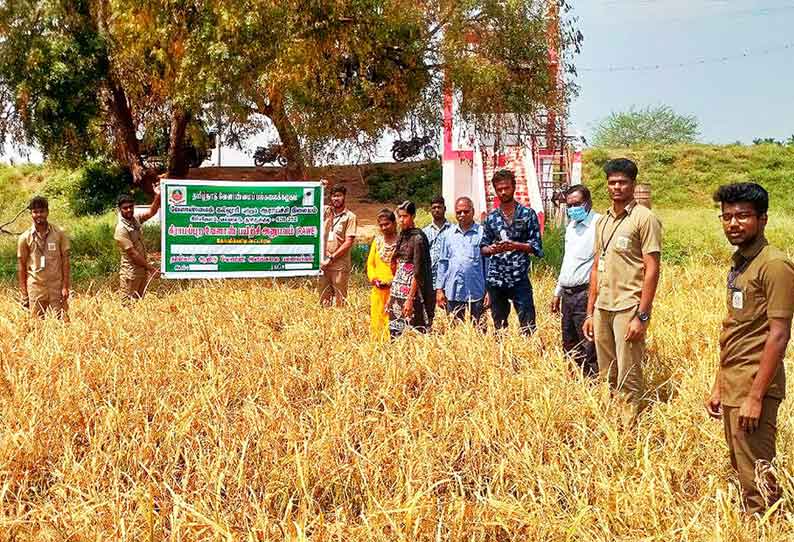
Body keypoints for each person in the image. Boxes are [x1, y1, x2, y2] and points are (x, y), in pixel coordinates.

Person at [705, 182, 794, 515]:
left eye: (742, 216)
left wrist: (755, 396)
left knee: (758, 473)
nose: (733, 224)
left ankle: (770, 526)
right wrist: (719, 384)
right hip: (734, 381)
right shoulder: (741, 263)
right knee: (743, 467)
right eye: (727, 217)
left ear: (763, 219)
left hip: (755, 384)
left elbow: (779, 335)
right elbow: (735, 328)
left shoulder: (774, 265)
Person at [583, 158, 662, 422]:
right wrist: (589, 311)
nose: (617, 187)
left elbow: (652, 269)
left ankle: (628, 429)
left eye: (622, 182)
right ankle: (610, 423)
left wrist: (642, 315)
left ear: (633, 184)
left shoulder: (644, 219)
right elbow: (596, 266)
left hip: (628, 306)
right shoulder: (602, 221)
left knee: (628, 372)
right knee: (607, 373)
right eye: (612, 182)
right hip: (602, 307)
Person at [480, 169, 543, 334]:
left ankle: (527, 356)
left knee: (528, 325)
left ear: (513, 187)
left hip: (519, 278)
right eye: (499, 189)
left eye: (506, 188)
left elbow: (536, 247)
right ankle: (502, 357)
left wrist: (516, 245)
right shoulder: (491, 218)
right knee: (499, 328)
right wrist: (492, 249)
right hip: (496, 280)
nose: (503, 192)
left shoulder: (527, 215)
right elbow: (483, 248)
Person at [551, 185, 600, 377]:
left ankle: (593, 384)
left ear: (588, 203)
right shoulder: (571, 226)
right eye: (569, 205)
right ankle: (575, 383)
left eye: (577, 204)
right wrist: (558, 292)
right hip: (568, 294)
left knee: (589, 343)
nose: (572, 209)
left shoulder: (598, 225)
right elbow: (568, 260)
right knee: (569, 342)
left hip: (586, 293)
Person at [435, 197, 488, 327]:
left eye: (466, 211)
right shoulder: (448, 235)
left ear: (473, 211)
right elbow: (443, 263)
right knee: (454, 331)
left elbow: (488, 264)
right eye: (459, 212)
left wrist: (490, 291)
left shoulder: (482, 234)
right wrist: (439, 290)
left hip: (476, 292)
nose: (462, 215)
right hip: (453, 292)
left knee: (479, 330)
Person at [17, 196, 71, 318]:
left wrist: (65, 287)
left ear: (47, 212)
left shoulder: (59, 233)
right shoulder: (25, 238)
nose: (39, 215)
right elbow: (21, 265)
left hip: (56, 287)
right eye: (35, 212)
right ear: (31, 213)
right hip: (35, 287)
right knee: (37, 325)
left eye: (41, 211)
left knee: (60, 324)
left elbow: (65, 261)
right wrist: (24, 292)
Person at [387, 201, 435, 337]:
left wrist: (410, 299)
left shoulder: (418, 238)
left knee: (414, 334)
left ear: (413, 216)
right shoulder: (403, 235)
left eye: (405, 216)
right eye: (400, 216)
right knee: (396, 335)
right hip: (398, 291)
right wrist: (391, 295)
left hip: (412, 293)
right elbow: (397, 266)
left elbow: (418, 272)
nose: (402, 220)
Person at [114, 184, 161, 301]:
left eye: (131, 206)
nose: (129, 210)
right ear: (120, 210)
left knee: (139, 302)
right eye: (125, 208)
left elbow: (151, 212)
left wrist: (158, 195)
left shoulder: (135, 219)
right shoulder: (121, 229)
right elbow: (133, 254)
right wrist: (151, 268)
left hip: (142, 271)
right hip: (131, 273)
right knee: (127, 306)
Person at [320, 184, 357, 306]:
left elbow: (348, 242)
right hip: (324, 264)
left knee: (340, 301)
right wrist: (321, 187)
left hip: (339, 266)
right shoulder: (325, 211)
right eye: (333, 196)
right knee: (324, 300)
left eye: (339, 196)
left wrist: (332, 257)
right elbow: (312, 202)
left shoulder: (350, 217)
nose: (336, 199)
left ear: (344, 197)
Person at [366, 208, 398, 340]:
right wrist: (374, 279)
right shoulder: (377, 242)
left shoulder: (401, 242)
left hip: (396, 290)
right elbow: (370, 264)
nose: (384, 227)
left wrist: (391, 282)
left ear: (394, 223)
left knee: (393, 323)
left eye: (387, 224)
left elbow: (405, 268)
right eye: (381, 225)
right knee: (377, 322)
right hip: (378, 291)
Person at [422, 195, 452, 286]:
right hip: (430, 280)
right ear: (430, 210)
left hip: (449, 279)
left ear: (444, 208)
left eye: (439, 207)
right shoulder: (425, 232)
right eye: (434, 208)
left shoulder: (453, 230)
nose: (436, 210)